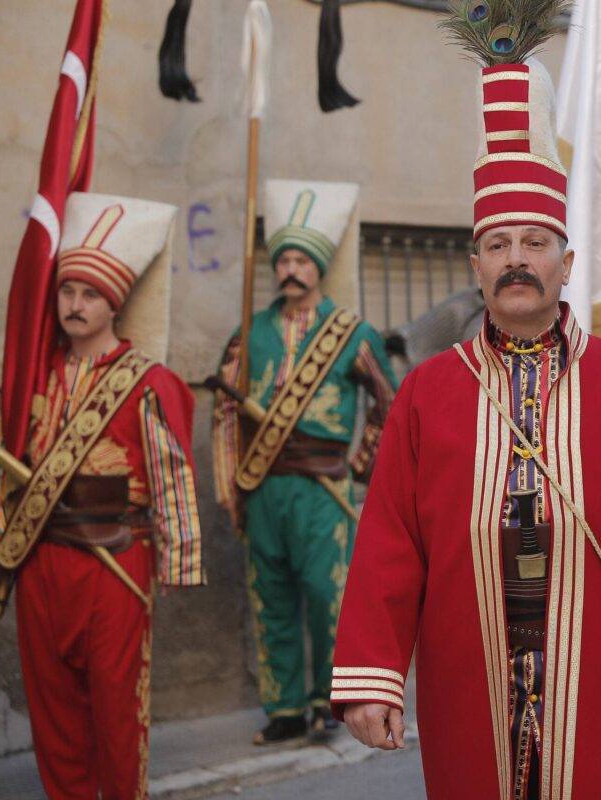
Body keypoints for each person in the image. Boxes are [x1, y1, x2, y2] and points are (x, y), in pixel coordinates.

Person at [330, 10, 601, 798]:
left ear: (567, 263)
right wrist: (372, 673)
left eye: (534, 243)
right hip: (470, 670)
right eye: (498, 245)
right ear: (475, 264)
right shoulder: (429, 392)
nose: (516, 262)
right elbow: (390, 539)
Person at [0, 192, 203, 798]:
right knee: (54, 716)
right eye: (67, 292)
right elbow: (2, 468)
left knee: (115, 708)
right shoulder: (33, 377)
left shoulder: (149, 382)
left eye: (91, 295)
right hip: (42, 562)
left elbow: (173, 474)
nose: (76, 305)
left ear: (115, 304)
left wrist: (178, 562)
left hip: (115, 563)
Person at [211, 179, 397, 743]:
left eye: (301, 260)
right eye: (283, 259)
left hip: (323, 487)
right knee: (272, 599)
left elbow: (389, 404)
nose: (291, 269)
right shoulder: (250, 333)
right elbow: (223, 411)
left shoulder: (351, 332)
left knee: (327, 596)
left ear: (318, 267)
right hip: (265, 485)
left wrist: (361, 466)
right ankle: (285, 708)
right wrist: (230, 487)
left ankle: (328, 701)